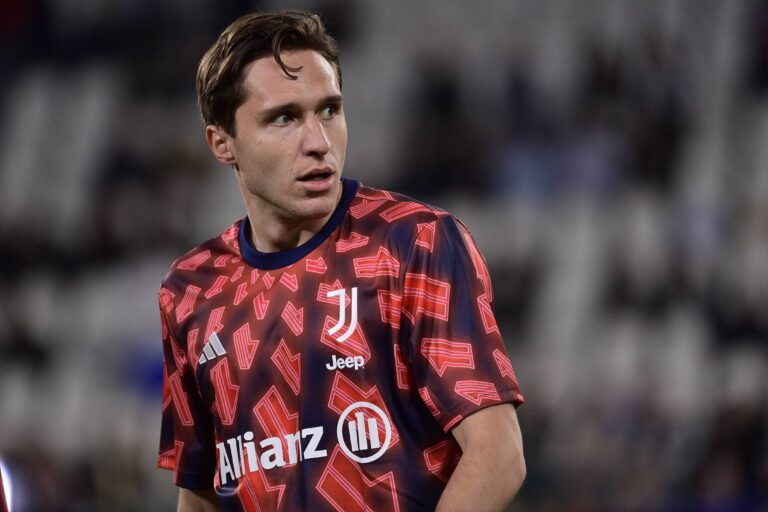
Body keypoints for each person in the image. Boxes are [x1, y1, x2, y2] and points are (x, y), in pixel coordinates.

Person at [157, 10, 526, 511]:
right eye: (284, 118)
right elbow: (201, 491)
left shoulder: (413, 243)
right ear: (222, 144)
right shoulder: (192, 290)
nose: (318, 142)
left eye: (329, 110)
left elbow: (497, 452)